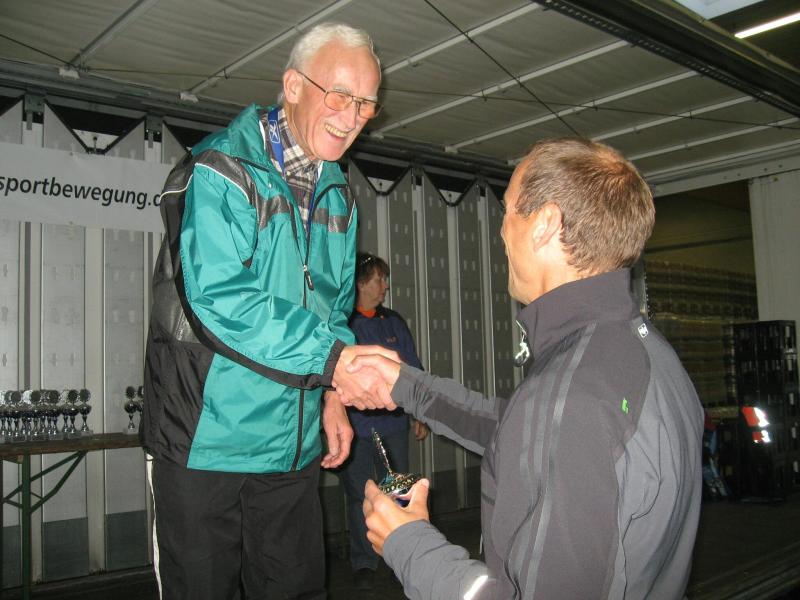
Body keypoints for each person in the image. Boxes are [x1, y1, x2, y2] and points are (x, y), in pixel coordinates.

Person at [345, 138, 704, 599]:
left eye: (509, 210)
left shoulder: (574, 394)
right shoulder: (643, 353)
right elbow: (528, 434)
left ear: (545, 224)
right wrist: (407, 386)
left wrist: (408, 542)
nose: (501, 232)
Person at [141, 22, 392, 600]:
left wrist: (332, 396)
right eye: (340, 95)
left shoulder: (338, 193)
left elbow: (333, 308)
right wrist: (333, 363)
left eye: (366, 103)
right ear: (293, 86)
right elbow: (220, 298)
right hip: (205, 440)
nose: (353, 116)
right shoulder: (220, 168)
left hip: (290, 446)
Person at [340, 252, 429, 591]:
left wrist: (419, 412)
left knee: (399, 493)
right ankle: (363, 562)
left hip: (392, 426)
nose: (385, 286)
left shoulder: (393, 322)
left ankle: (398, 557)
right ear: (361, 283)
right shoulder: (343, 324)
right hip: (356, 428)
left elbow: (413, 369)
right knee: (358, 496)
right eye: (379, 279)